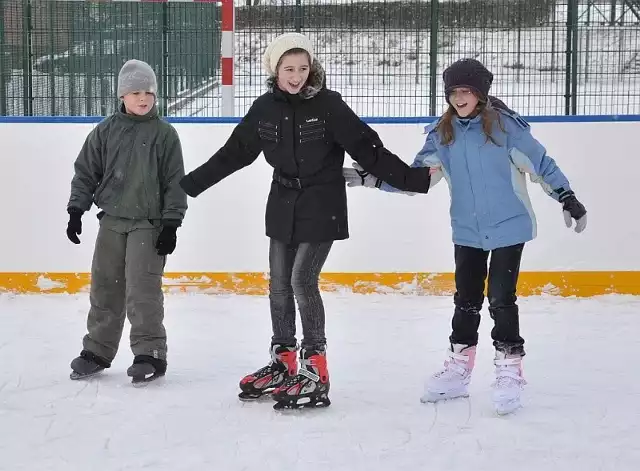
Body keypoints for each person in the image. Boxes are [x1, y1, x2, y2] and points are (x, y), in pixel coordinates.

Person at [179, 33, 432, 410]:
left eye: (302, 68)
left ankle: (315, 365)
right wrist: (191, 184)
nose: (296, 76)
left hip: (322, 201)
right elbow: (234, 153)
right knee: (278, 283)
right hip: (282, 202)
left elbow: (368, 149)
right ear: (274, 70)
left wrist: (414, 180)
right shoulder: (264, 108)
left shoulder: (329, 105)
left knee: (301, 279)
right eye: (288, 68)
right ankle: (283, 360)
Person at [343, 58, 587, 415]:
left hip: (509, 227)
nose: (459, 98)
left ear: (480, 94)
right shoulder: (442, 134)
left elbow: (541, 165)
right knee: (466, 299)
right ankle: (458, 369)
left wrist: (567, 197)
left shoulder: (506, 129)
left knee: (502, 299)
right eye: (454, 92)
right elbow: (417, 179)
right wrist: (372, 179)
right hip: (468, 231)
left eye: (466, 91)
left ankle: (508, 370)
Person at [66, 59, 187, 385]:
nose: (143, 98)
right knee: (104, 288)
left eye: (148, 91)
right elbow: (86, 172)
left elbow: (175, 182)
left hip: (148, 224)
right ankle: (97, 350)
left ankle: (150, 354)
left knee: (143, 290)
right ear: (122, 95)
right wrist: (76, 210)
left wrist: (171, 224)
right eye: (135, 92)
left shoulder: (164, 135)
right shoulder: (105, 131)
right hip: (112, 222)